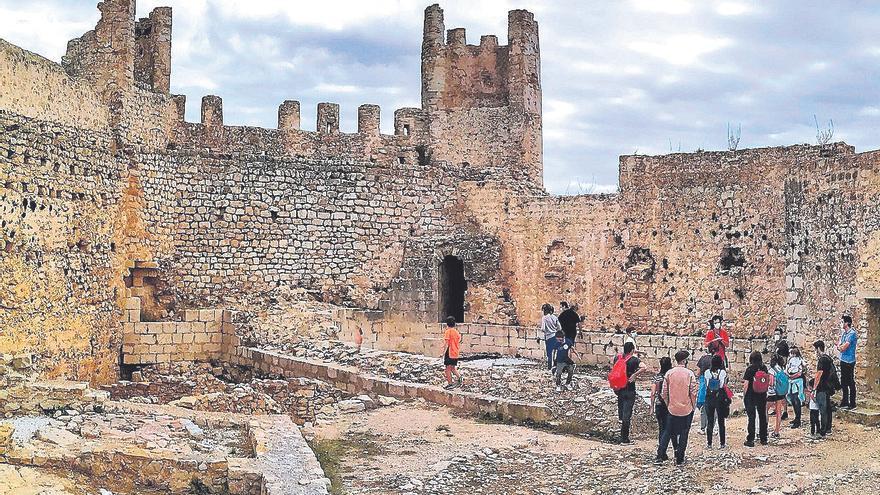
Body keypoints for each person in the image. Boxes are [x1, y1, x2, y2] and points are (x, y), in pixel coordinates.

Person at [655, 350, 697, 466]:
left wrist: (669, 403)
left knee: (668, 431)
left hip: (672, 408)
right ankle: (680, 458)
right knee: (684, 432)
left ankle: (659, 455)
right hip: (686, 408)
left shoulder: (669, 373)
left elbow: (663, 392)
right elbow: (693, 392)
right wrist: (693, 406)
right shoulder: (690, 374)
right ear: (684, 360)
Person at [613, 341, 644, 444]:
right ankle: (624, 438)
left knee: (622, 413)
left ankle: (621, 434)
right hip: (630, 389)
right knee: (627, 414)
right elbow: (645, 367)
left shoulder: (617, 358)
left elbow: (614, 371)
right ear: (632, 350)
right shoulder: (634, 360)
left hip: (619, 388)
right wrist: (635, 375)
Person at [650, 357, 678, 460]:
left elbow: (653, 393)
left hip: (659, 405)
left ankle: (662, 453)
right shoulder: (671, 377)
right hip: (670, 405)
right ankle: (676, 451)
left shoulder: (657, 377)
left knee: (662, 429)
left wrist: (651, 407)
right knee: (673, 429)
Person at [742, 350, 769, 447]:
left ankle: (750, 439)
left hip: (751, 396)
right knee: (762, 417)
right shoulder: (764, 368)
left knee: (751, 417)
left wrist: (744, 395)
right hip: (762, 395)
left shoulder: (750, 369)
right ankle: (763, 438)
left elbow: (746, 385)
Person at [704, 354, 729, 449]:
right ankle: (722, 443)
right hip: (720, 397)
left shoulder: (707, 372)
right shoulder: (722, 372)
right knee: (721, 421)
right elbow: (723, 385)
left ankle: (709, 443)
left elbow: (707, 384)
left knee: (710, 421)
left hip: (710, 397)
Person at [813, 340, 834, 437]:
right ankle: (828, 428)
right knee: (828, 408)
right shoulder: (828, 358)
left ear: (818, 348)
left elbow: (818, 375)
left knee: (823, 409)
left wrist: (814, 388)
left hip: (822, 387)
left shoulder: (821, 360)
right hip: (828, 386)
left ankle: (823, 430)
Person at [836, 315, 858, 410]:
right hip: (843, 360)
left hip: (849, 361)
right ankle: (845, 400)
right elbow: (839, 344)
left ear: (847, 323)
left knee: (850, 381)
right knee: (843, 381)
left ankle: (852, 402)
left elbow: (844, 347)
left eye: (843, 322)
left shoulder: (852, 334)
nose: (842, 324)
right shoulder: (844, 333)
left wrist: (840, 347)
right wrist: (840, 347)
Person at [696, 343, 717, 435]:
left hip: (704, 384)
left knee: (704, 408)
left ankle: (703, 428)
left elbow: (698, 372)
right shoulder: (718, 360)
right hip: (715, 384)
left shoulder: (703, 359)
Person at [767, 355, 787, 439]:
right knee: (779, 412)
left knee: (765, 410)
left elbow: (771, 383)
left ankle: (765, 428)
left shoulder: (772, 370)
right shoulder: (781, 369)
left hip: (772, 393)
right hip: (780, 393)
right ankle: (777, 431)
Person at [773, 327, 791, 420]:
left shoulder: (783, 345)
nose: (776, 335)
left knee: (782, 390)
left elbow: (784, 358)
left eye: (778, 333)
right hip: (776, 369)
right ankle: (777, 408)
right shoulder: (776, 344)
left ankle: (785, 411)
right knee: (775, 389)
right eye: (775, 333)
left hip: (781, 369)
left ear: (781, 335)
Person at [786, 346, 805, 428]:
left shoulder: (801, 361)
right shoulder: (790, 360)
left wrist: (793, 376)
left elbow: (801, 372)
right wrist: (788, 375)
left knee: (796, 400)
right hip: (791, 381)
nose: (792, 355)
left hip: (797, 382)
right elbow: (787, 369)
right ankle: (796, 418)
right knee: (793, 400)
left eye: (794, 354)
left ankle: (798, 420)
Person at [538, 303, 561, 370]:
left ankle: (550, 367)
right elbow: (559, 327)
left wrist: (546, 331)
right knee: (555, 351)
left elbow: (543, 328)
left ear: (545, 310)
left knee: (549, 353)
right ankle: (555, 365)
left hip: (548, 337)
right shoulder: (555, 317)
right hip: (555, 336)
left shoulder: (544, 318)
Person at [442, 316, 462, 389]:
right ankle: (460, 378)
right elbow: (459, 340)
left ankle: (450, 384)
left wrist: (443, 353)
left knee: (447, 370)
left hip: (449, 352)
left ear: (447, 324)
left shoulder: (448, 332)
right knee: (453, 368)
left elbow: (447, 344)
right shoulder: (456, 332)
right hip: (455, 352)